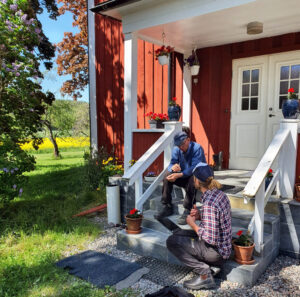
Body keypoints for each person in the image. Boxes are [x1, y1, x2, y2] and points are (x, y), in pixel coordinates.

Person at [166, 162, 232, 290]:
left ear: (196, 180)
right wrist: (199, 216)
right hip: (221, 246)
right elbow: (217, 220)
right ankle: (208, 267)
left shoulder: (210, 203)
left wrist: (193, 225)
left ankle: (205, 274)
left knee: (171, 241)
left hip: (216, 252)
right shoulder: (219, 195)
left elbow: (211, 239)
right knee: (178, 233)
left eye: (193, 178)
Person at [154, 131, 206, 224]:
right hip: (184, 175)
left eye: (182, 144)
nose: (181, 147)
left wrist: (179, 174)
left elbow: (194, 168)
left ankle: (188, 209)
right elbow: (172, 163)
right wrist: (172, 168)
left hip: (198, 176)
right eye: (178, 145)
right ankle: (167, 206)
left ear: (188, 140)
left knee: (192, 179)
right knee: (167, 175)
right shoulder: (176, 149)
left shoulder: (197, 148)